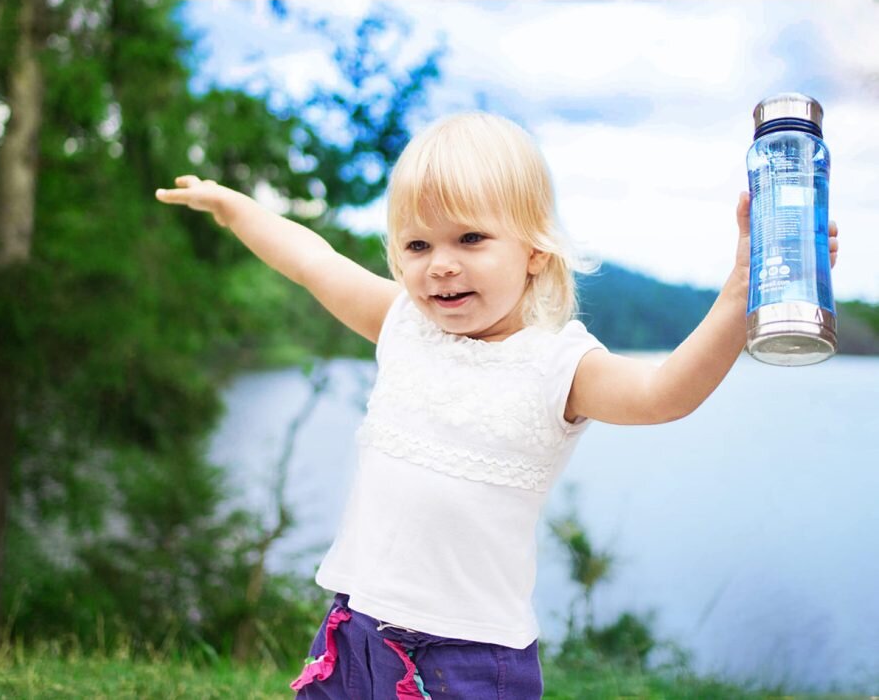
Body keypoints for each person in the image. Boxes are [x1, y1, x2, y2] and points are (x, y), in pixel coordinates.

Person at [155, 112, 839, 699]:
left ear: (536, 251)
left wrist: (734, 295)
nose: (440, 264)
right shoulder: (401, 323)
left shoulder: (556, 364)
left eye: (470, 239)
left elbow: (660, 396)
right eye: (417, 245)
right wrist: (234, 206)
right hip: (356, 622)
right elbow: (311, 259)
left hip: (469, 657)